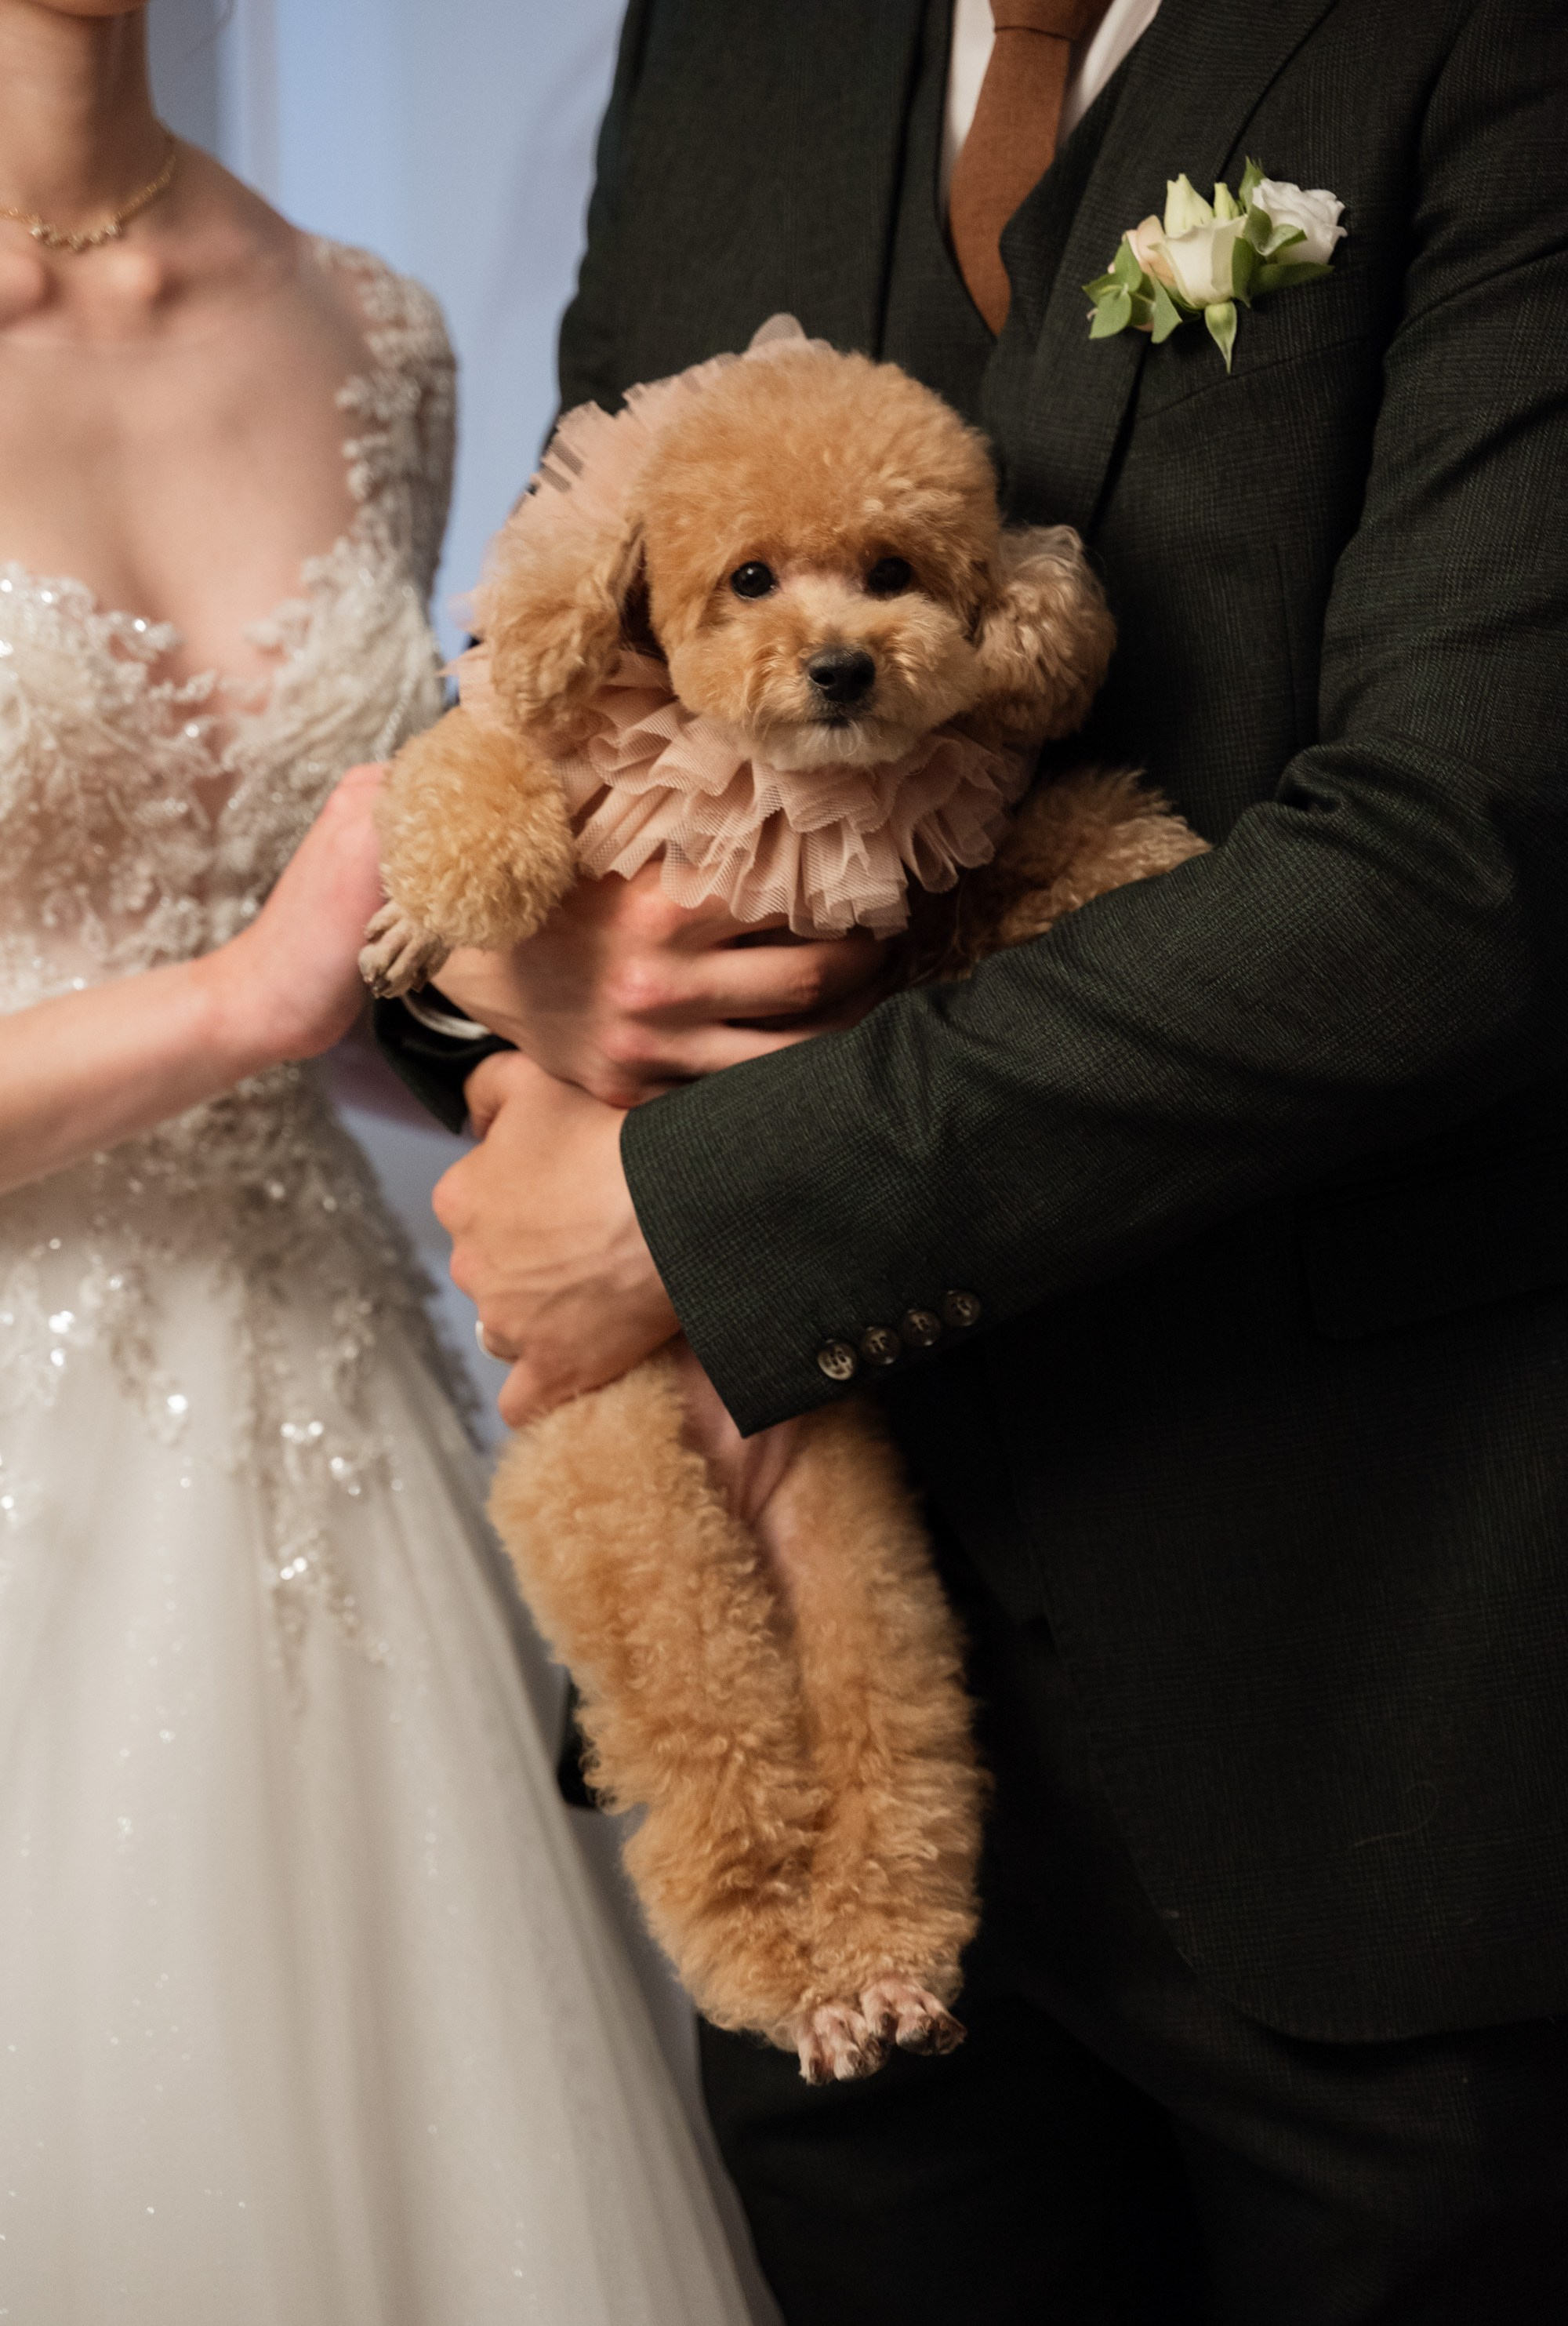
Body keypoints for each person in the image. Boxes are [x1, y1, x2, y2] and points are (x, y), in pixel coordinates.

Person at [382, 0, 1568, 2319]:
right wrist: (502, 1000)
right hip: (814, 1723)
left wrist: (684, 1217)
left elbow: (1464, 864)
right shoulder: (719, 38)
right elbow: (562, 670)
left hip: (1371, 1706)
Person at [0, 2, 760, 2318]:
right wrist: (253, 999)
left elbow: (378, 983)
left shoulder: (378, 331)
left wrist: (554, 1055)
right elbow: (272, 979)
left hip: (351, 1428)